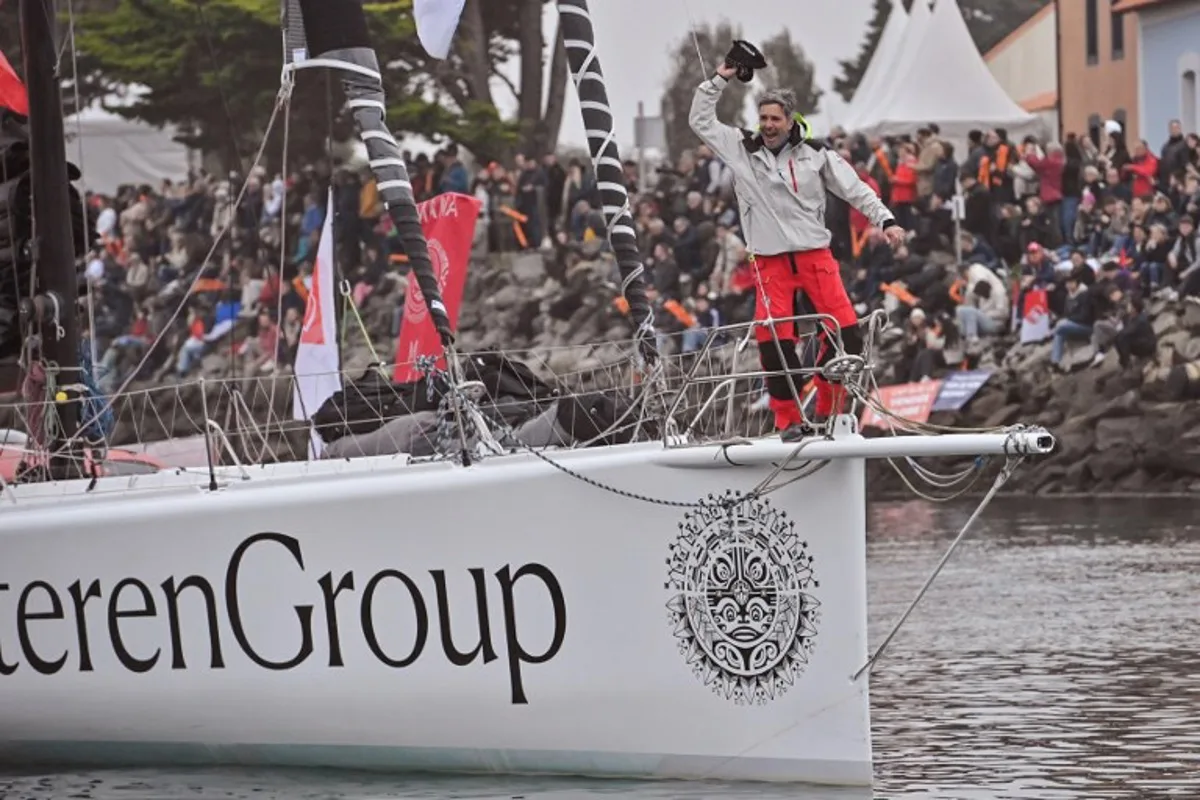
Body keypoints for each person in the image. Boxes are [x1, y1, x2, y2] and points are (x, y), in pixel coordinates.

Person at [689, 60, 905, 440]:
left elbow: (855, 188)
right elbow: (700, 120)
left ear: (790, 121)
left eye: (775, 118)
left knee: (847, 336)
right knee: (774, 343)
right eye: (763, 118)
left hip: (814, 256)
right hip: (769, 262)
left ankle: (828, 412)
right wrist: (722, 77)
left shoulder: (816, 153)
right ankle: (788, 420)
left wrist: (885, 220)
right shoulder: (740, 148)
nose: (768, 125)